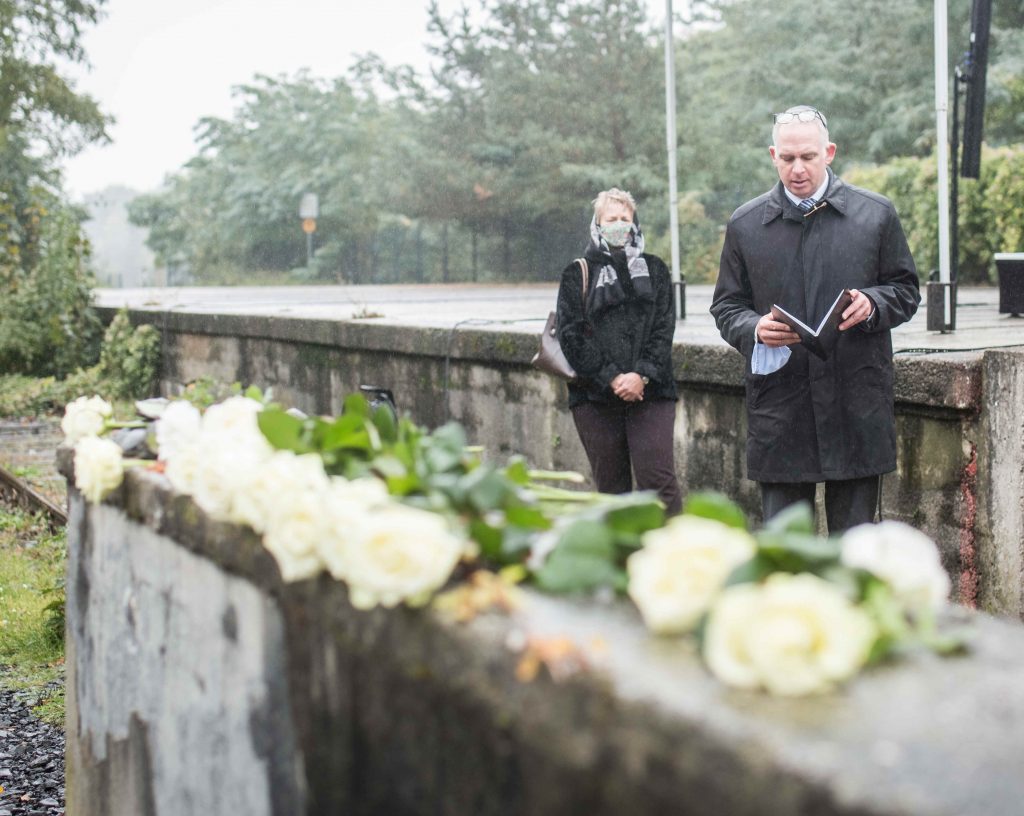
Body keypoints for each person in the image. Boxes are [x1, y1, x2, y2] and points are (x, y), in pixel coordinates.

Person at [710, 106, 920, 532]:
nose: (798, 169)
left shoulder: (875, 214)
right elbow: (726, 307)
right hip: (781, 406)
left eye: (808, 156)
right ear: (773, 155)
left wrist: (874, 304)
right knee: (787, 556)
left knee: (855, 551)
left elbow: (906, 291)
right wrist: (754, 329)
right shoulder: (745, 224)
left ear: (830, 152)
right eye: (787, 158)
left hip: (854, 403)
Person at [556, 188, 681, 515]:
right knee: (612, 490)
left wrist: (641, 375)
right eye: (611, 219)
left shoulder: (655, 269)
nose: (619, 225)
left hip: (651, 391)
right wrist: (611, 377)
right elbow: (572, 334)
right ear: (597, 224)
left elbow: (663, 328)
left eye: (625, 219)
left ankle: (671, 552)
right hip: (594, 396)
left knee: (658, 482)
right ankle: (623, 559)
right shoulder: (577, 272)